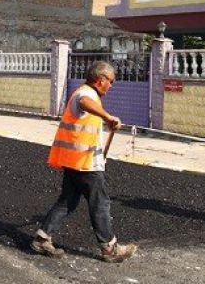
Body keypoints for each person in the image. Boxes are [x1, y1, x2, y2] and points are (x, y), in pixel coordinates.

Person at [31, 61, 137, 263]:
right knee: (100, 203)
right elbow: (84, 103)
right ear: (101, 80)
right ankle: (109, 248)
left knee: (67, 202)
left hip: (75, 161)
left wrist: (106, 123)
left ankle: (42, 238)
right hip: (85, 163)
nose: (112, 86)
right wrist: (107, 116)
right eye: (111, 81)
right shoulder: (85, 94)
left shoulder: (89, 94)